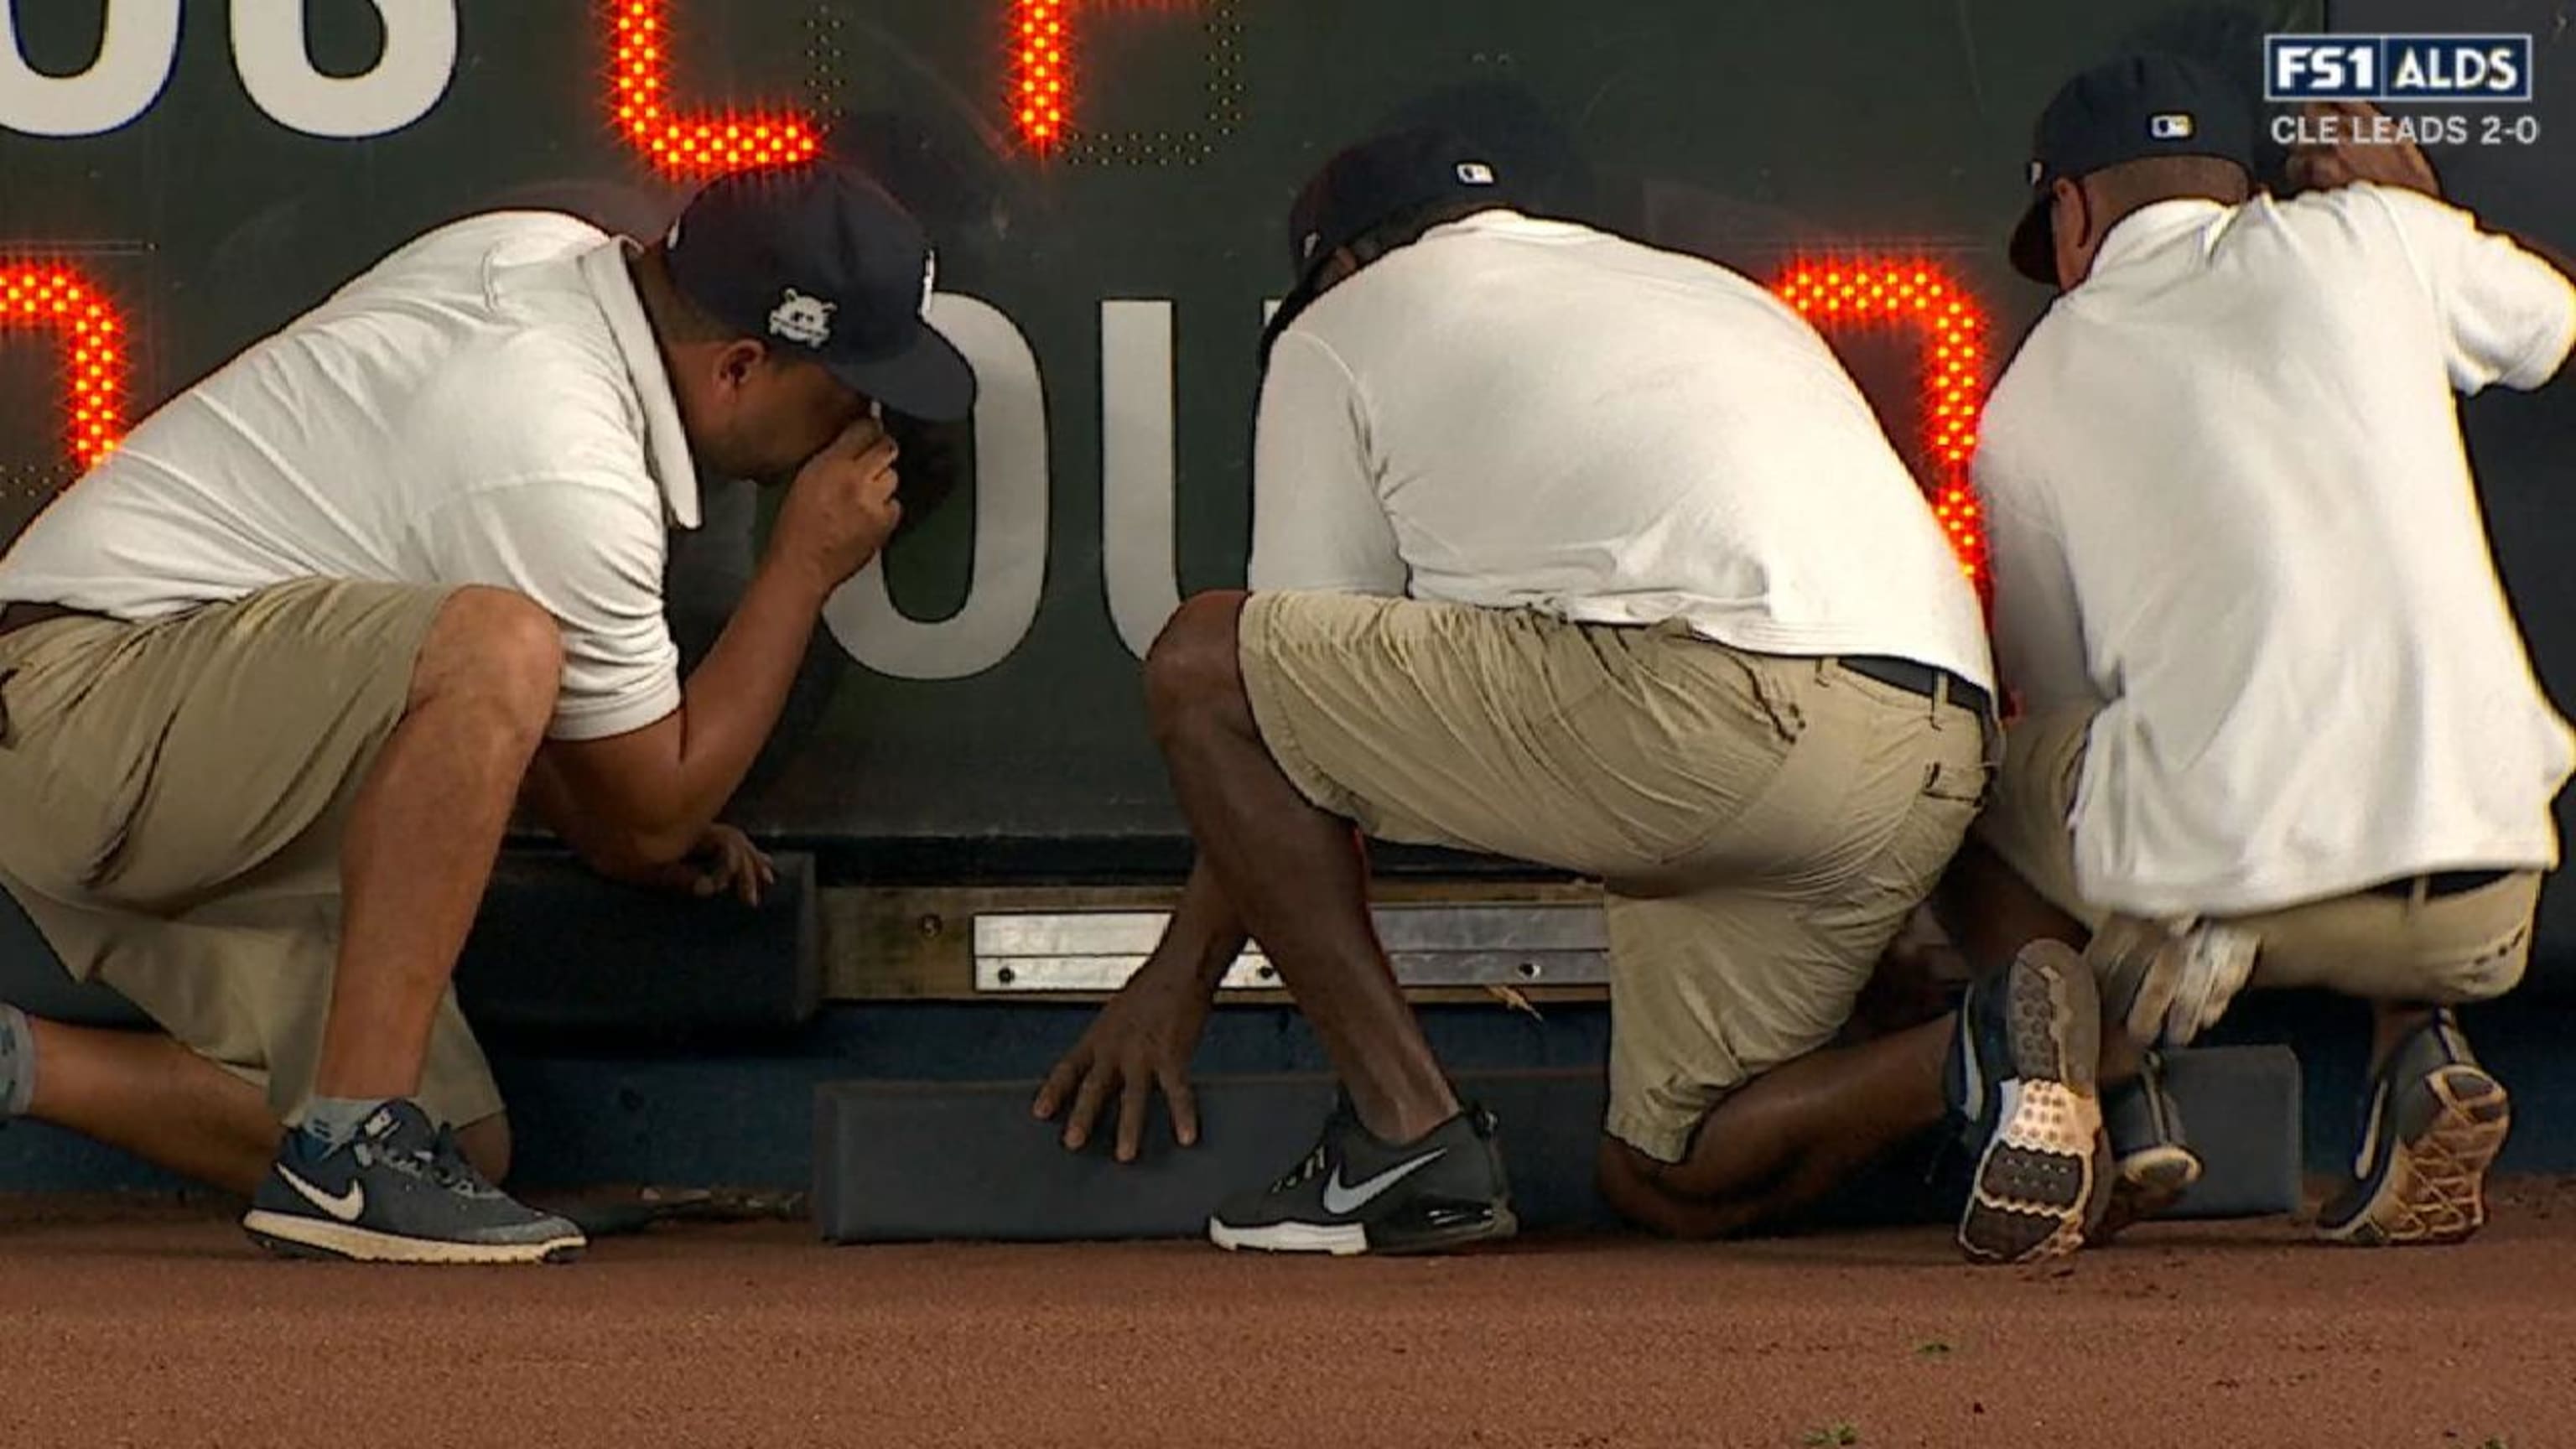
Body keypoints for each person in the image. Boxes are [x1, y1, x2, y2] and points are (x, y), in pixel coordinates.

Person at [1035, 128, 2099, 1264]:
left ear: (1339, 265)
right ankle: (1998, 1052)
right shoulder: (1708, 292)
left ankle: (1406, 1137)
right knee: (1671, 1174)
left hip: (1708, 721)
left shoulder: (1344, 325)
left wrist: (1176, 978)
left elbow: (1269, 715)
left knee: (1202, 658)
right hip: (1934, 750)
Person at [0, 162, 974, 1263]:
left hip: (205, 757)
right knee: (497, 647)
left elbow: (603, 806)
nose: (862, 421)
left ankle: (28, 1065)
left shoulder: (533, 248)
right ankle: (348, 1154)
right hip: (80, 701)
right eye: (846, 388)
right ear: (742, 366)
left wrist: (622, 815)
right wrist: (802, 569)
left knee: (465, 1144)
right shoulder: (560, 456)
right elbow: (643, 820)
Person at [1955, 55, 2576, 1246]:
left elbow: (2066, 693)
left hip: (2208, 905)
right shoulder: (2366, 238)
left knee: (1967, 773)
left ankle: (2107, 1096)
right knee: (2391, 668)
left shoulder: (2030, 393)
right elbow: (2548, 329)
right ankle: (2420, 1051)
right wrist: (2420, 216)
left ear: (2071, 211)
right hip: (2485, 890)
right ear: (2238, 188)